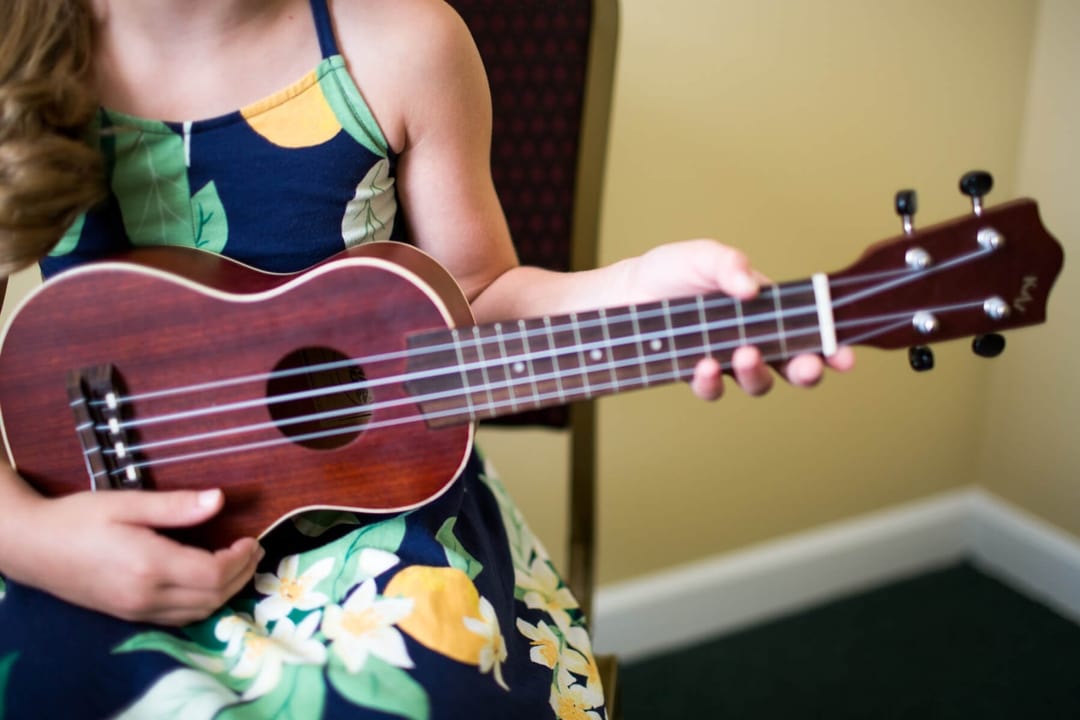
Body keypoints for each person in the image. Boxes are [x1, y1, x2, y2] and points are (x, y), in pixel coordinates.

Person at [0, 0, 855, 717]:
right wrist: (34, 539)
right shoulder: (21, 50)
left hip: (381, 512)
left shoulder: (402, 41)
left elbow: (475, 296)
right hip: (85, 521)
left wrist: (641, 284)